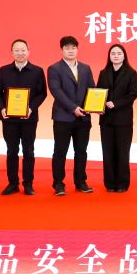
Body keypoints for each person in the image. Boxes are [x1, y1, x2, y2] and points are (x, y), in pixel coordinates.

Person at [0, 39, 47, 196]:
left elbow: (42, 93)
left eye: (23, 50)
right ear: (12, 52)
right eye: (17, 50)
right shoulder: (4, 70)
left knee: (29, 151)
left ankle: (28, 184)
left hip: (29, 118)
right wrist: (2, 108)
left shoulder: (37, 71)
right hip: (9, 119)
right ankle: (12, 184)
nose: (20, 53)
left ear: (28, 52)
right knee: (11, 151)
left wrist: (31, 108)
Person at [47, 35, 95, 196]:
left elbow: (92, 89)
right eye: (67, 48)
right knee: (60, 151)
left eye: (73, 47)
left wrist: (95, 106)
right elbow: (56, 91)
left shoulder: (85, 68)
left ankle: (80, 182)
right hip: (63, 117)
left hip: (83, 117)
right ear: (62, 50)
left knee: (81, 151)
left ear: (77, 49)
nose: (70, 50)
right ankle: (58, 184)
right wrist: (73, 108)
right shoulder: (54, 69)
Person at [96, 43, 137, 193]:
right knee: (107, 152)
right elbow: (98, 92)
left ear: (124, 56)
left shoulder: (131, 73)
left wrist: (116, 103)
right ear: (109, 56)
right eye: (113, 53)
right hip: (106, 120)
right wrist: (98, 107)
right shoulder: (103, 73)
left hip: (123, 120)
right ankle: (109, 183)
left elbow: (132, 95)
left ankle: (122, 183)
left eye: (119, 53)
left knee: (122, 152)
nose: (116, 56)